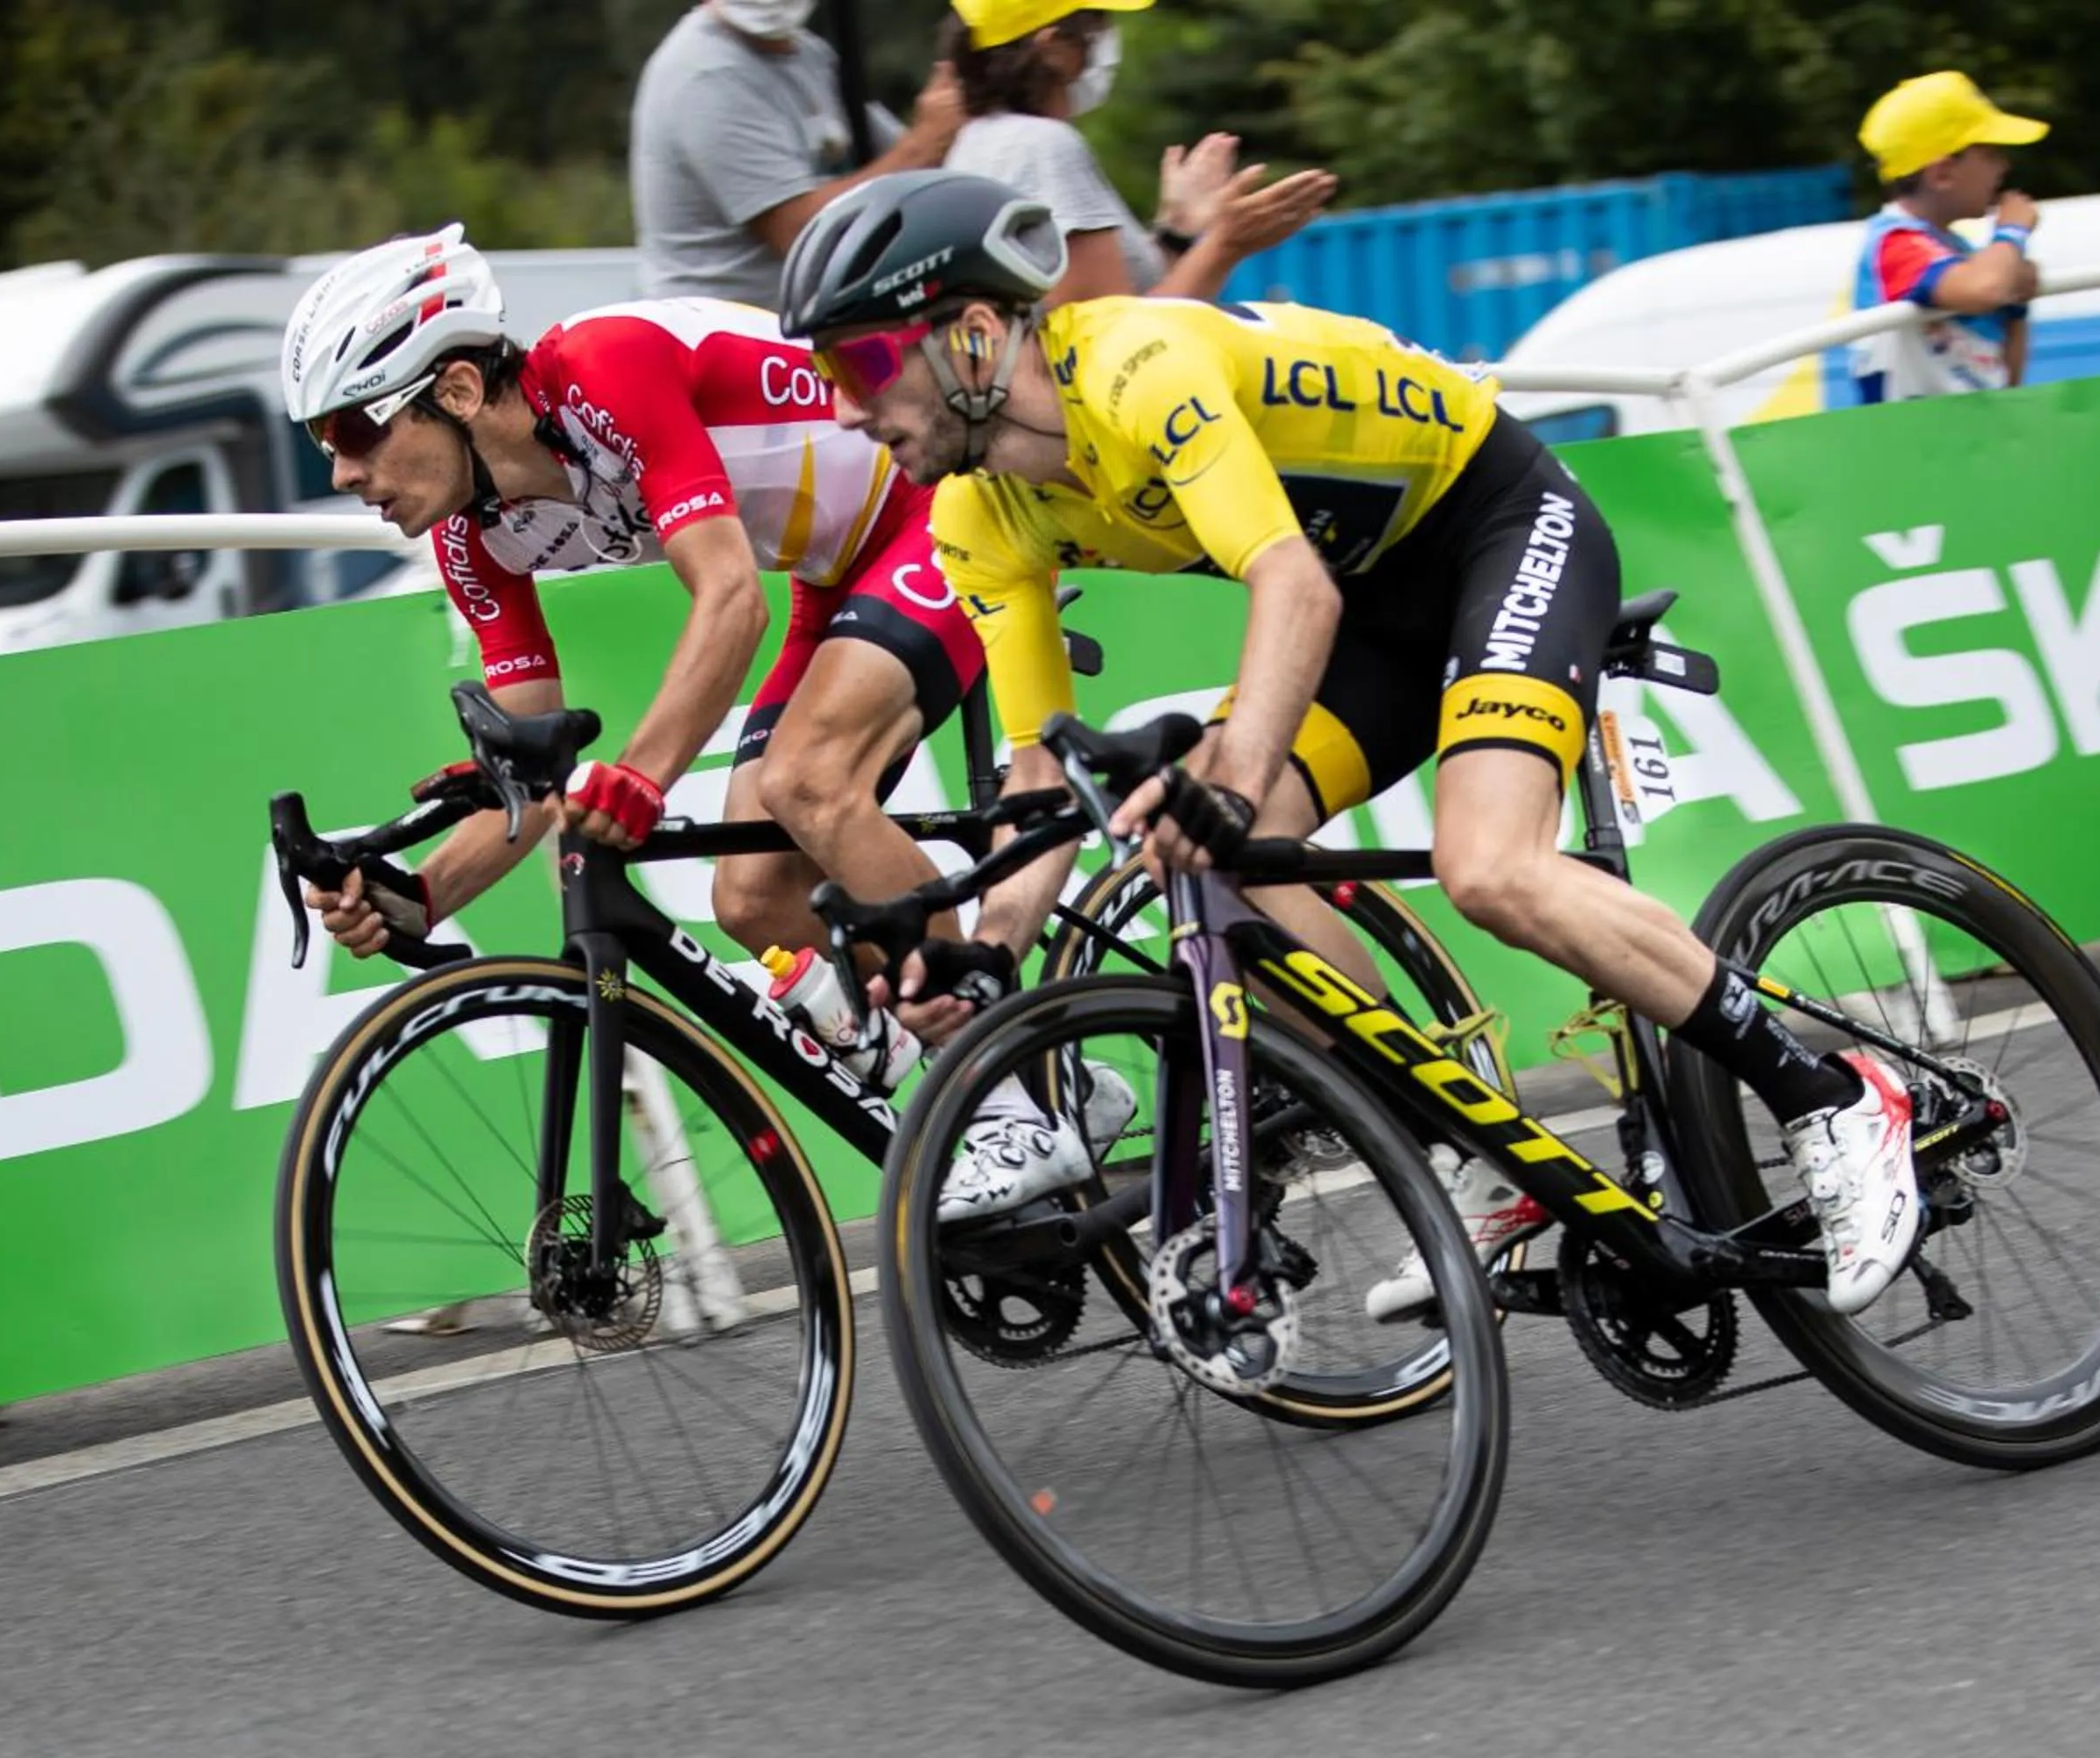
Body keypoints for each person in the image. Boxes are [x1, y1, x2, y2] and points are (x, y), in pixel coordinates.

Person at [777, 170, 1925, 1318]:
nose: (840, 409)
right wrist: (990, 953)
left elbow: (1290, 586)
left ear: (974, 336)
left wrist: (1232, 776)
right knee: (1214, 858)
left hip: (1497, 527)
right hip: (1379, 604)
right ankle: (1479, 1151)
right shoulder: (983, 517)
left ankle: (1832, 1093)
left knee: (1490, 867)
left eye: (859, 366)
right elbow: (1037, 777)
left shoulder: (1136, 370)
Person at [284, 224, 1002, 1038]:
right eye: (323, 442)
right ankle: (1034, 1070)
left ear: (455, 390)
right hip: (836, 570)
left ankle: (1009, 1082)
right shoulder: (468, 534)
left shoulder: (603, 368)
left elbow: (731, 596)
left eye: (354, 431)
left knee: (810, 781)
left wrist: (642, 778)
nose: (341, 473)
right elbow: (529, 757)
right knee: (752, 900)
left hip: (943, 500)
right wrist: (422, 895)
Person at [937, 0, 1335, 303]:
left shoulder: (977, 142)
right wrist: (1226, 245)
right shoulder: (1040, 147)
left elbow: (1111, 303)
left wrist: (1176, 232)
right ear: (1054, 46)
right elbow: (1121, 348)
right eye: (1097, 23)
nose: (1107, 41)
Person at [629, 0, 964, 309]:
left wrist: (950, 122)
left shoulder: (809, 56)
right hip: (715, 348)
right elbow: (801, 232)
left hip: (786, 343)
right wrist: (923, 144)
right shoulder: (707, 74)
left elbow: (905, 165)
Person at [1847, 72, 2047, 404]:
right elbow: (1985, 289)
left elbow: (2004, 386)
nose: (2004, 166)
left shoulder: (1960, 256)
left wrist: (2016, 309)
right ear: (1942, 174)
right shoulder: (1896, 242)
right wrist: (2011, 232)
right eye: (1990, 153)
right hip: (1910, 447)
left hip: (1965, 442)